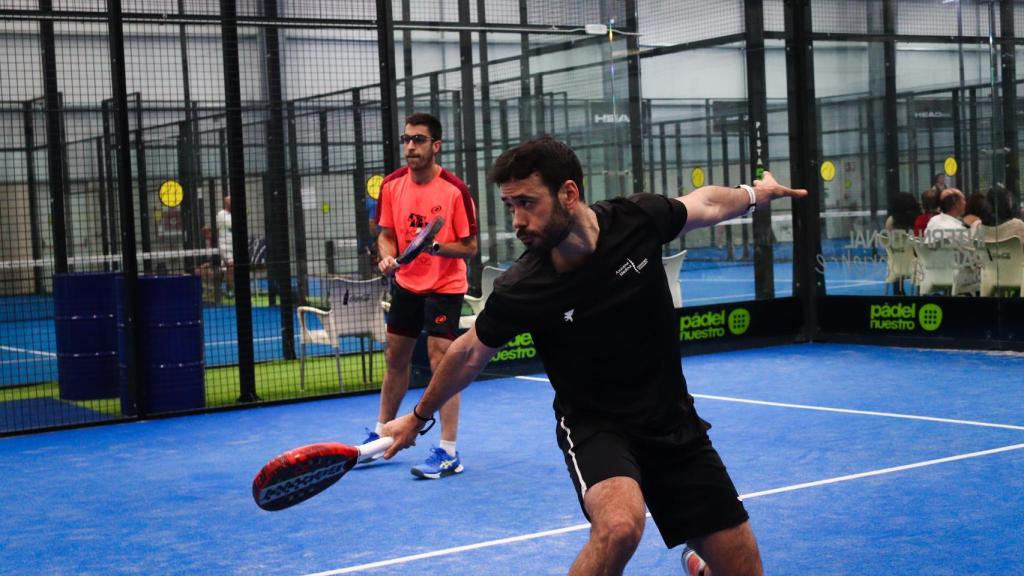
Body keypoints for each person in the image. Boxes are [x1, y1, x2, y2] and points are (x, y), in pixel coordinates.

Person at [382, 137, 807, 574]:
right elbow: (468, 354)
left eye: (527, 202)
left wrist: (757, 194)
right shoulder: (524, 287)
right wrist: (417, 418)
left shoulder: (635, 219)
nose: (518, 221)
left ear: (569, 193)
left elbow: (707, 204)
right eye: (511, 206)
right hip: (596, 425)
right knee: (620, 526)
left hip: (672, 420)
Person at [363, 112, 479, 479]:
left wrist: (436, 247)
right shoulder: (392, 185)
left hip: (445, 286)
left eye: (419, 140)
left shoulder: (455, 190)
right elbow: (385, 233)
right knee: (395, 356)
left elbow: (470, 246)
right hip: (407, 284)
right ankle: (382, 434)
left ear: (436, 146)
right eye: (407, 140)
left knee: (441, 360)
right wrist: (386, 255)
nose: (410, 146)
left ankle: (448, 451)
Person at [216, 196, 234, 296]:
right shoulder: (221, 214)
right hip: (224, 245)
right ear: (225, 203)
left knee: (225, 268)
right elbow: (219, 229)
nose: (230, 203)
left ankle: (220, 288)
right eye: (229, 202)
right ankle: (229, 289)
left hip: (234, 245)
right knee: (230, 265)